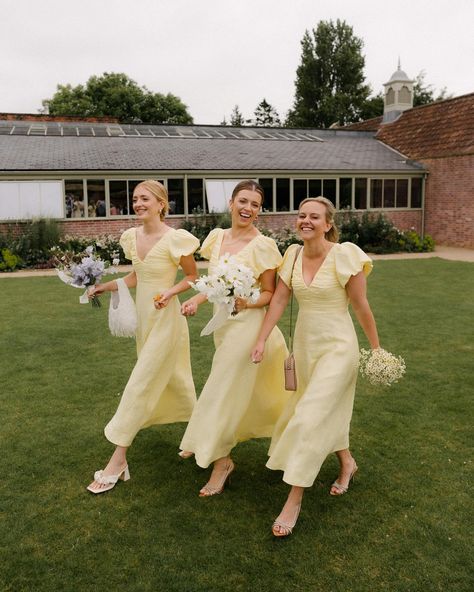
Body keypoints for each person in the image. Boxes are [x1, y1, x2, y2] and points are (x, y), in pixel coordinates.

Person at [251, 197, 380, 537]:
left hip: (339, 349)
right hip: (306, 349)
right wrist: (262, 339)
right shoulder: (291, 255)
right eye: (302, 215)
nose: (306, 220)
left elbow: (360, 304)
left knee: (309, 417)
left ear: (327, 224)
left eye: (314, 217)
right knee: (322, 412)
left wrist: (377, 348)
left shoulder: (344, 255)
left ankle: (293, 498)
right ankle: (347, 463)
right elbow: (279, 299)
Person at [86, 180, 199, 494]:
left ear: (161, 203)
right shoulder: (131, 238)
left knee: (140, 384)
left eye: (145, 199)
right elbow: (138, 276)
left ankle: (118, 459)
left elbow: (192, 276)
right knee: (176, 379)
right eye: (135, 199)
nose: (138, 204)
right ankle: (204, 435)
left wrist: (171, 291)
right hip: (145, 322)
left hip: (167, 321)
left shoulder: (176, 239)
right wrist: (103, 286)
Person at [180, 180, 289, 497]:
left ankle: (221, 461)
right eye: (243, 201)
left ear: (259, 210)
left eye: (255, 204)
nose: (248, 208)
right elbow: (215, 284)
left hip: (247, 326)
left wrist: (247, 302)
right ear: (230, 203)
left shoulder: (264, 246)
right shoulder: (216, 238)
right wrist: (195, 301)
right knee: (228, 390)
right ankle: (204, 439)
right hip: (223, 327)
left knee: (219, 390)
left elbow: (270, 293)